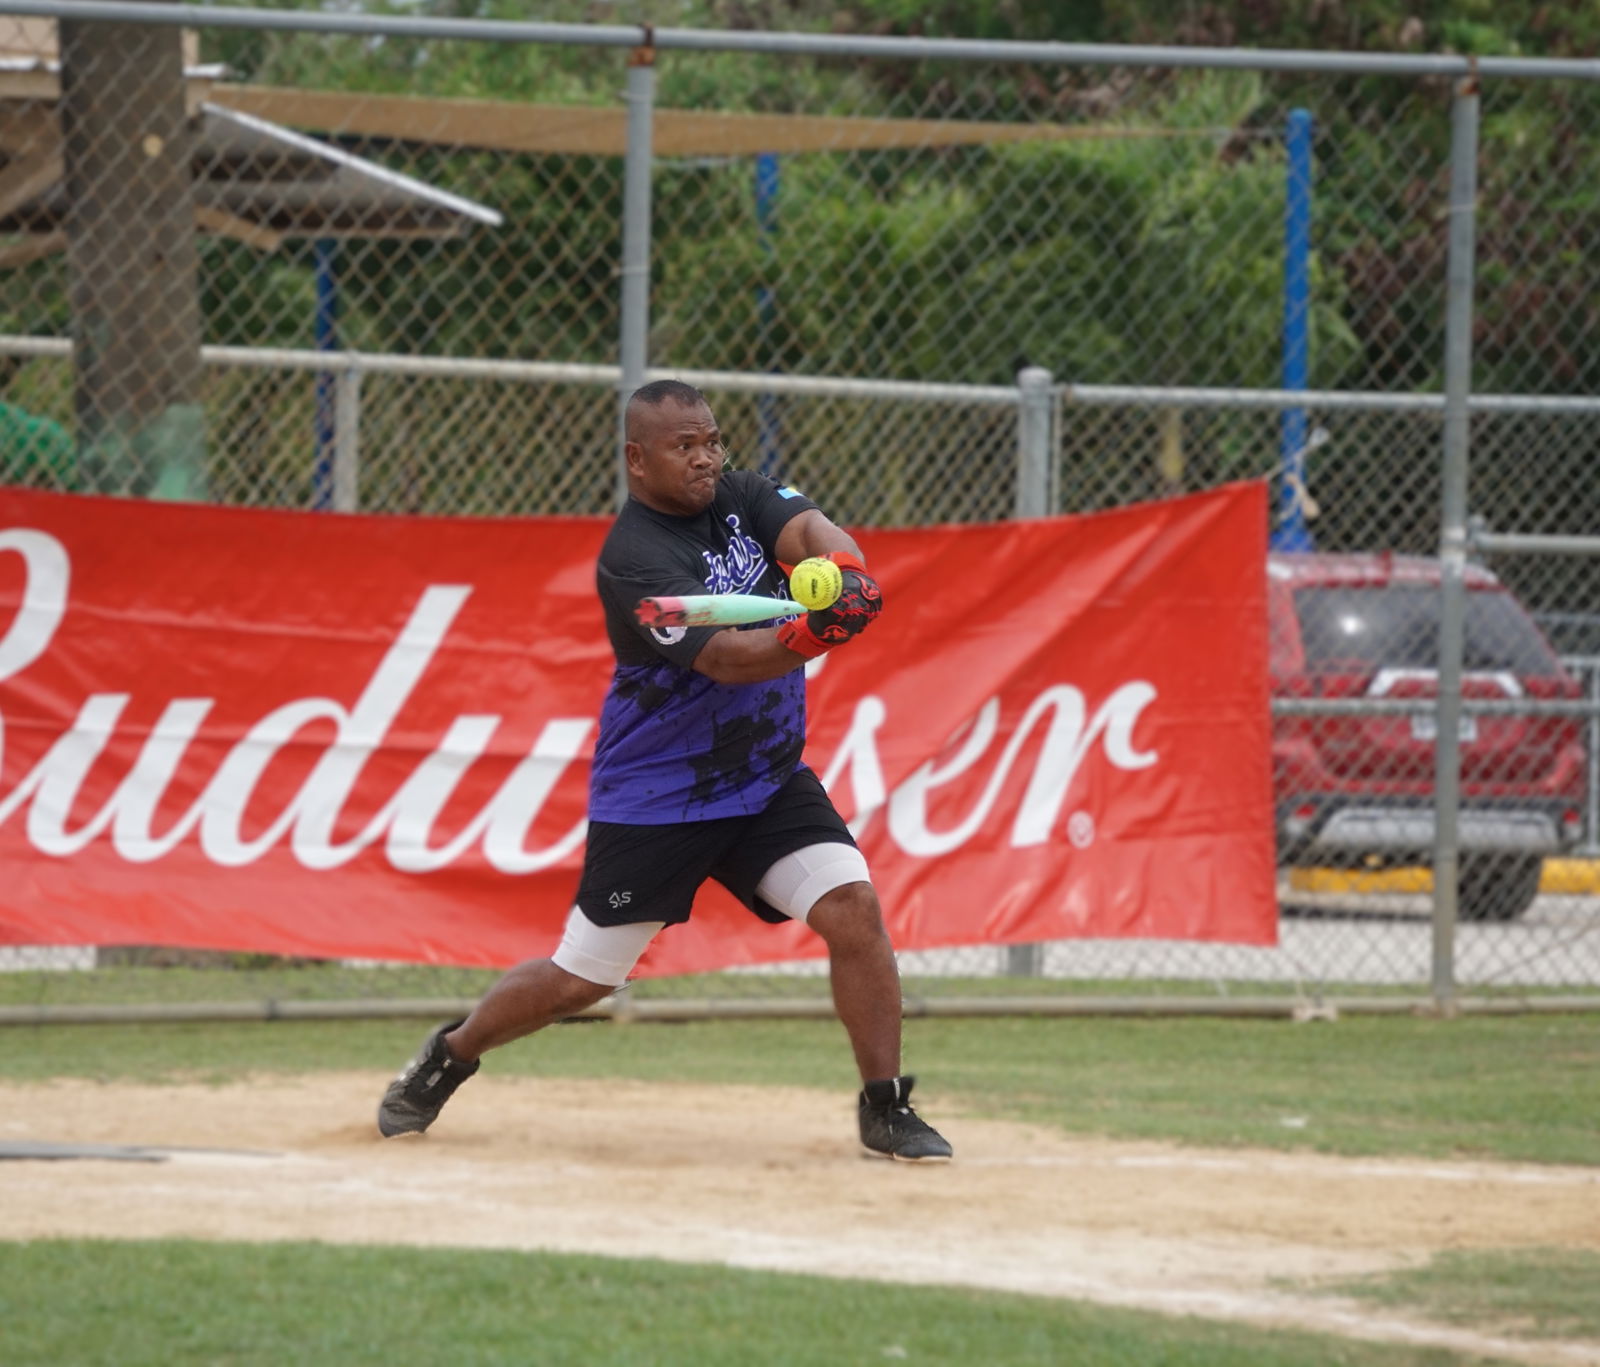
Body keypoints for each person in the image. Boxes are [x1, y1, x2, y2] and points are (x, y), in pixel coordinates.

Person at [377, 378, 951, 1162]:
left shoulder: (743, 496)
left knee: (853, 908)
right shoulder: (635, 560)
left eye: (711, 439)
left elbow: (813, 528)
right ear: (636, 459)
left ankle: (885, 1107)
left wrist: (847, 572)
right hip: (661, 793)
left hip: (763, 775)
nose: (707, 457)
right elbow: (725, 658)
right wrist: (820, 635)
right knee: (582, 979)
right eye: (685, 446)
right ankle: (453, 1052)